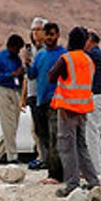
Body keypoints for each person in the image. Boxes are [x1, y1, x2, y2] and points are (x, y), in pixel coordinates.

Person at [48, 26, 100, 199]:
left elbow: (51, 76)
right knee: (81, 146)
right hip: (83, 109)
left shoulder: (67, 59)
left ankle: (72, 184)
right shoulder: (88, 60)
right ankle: (93, 182)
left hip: (68, 108)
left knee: (67, 148)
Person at [27, 22, 66, 183]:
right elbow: (32, 75)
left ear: (57, 35)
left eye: (52, 34)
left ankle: (56, 174)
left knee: (55, 137)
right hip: (40, 100)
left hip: (56, 101)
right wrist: (27, 63)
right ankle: (51, 170)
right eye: (47, 34)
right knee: (43, 137)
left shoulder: (63, 54)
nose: (49, 38)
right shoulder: (41, 55)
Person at [0, 34, 25, 164]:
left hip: (15, 90)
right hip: (3, 90)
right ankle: (12, 156)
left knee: (12, 125)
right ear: (11, 46)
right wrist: (12, 74)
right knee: (8, 124)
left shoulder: (17, 59)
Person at [83, 31, 101, 174]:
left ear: (90, 41)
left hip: (96, 96)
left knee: (91, 133)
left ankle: (95, 168)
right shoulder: (98, 54)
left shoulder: (92, 55)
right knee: (96, 133)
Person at [23, 18, 46, 168]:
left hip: (42, 93)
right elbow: (28, 76)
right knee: (35, 129)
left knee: (42, 128)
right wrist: (23, 97)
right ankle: (41, 155)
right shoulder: (33, 50)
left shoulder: (46, 51)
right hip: (32, 93)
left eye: (38, 29)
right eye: (33, 30)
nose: (35, 33)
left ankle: (45, 158)